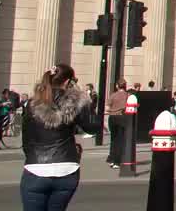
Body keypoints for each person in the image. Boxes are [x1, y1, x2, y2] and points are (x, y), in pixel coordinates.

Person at [19, 63, 98, 211]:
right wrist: (85, 99)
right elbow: (93, 127)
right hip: (67, 168)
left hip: (36, 168)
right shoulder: (75, 102)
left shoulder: (32, 104)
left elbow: (26, 139)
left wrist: (32, 157)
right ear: (68, 82)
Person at [104, 80, 128, 169]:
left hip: (112, 118)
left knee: (113, 139)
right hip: (122, 117)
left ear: (117, 86)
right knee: (121, 139)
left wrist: (113, 110)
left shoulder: (113, 95)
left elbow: (107, 108)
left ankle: (111, 159)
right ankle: (117, 161)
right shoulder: (128, 95)